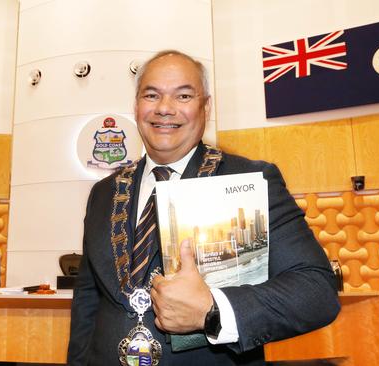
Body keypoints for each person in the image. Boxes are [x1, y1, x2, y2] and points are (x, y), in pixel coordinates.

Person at [68, 50, 340, 365]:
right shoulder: (103, 193)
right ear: (136, 106)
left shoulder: (249, 179)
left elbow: (316, 291)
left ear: (205, 106)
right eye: (152, 95)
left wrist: (212, 310)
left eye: (183, 95)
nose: (164, 109)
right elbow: (87, 299)